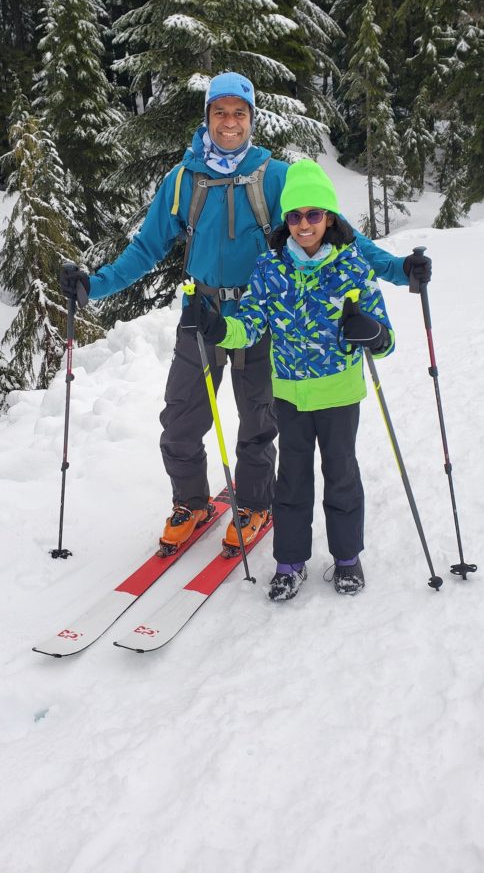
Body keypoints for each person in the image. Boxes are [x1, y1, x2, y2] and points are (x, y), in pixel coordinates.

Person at [60, 71, 430, 554]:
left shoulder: (275, 176)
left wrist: (399, 270)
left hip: (262, 313)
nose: (229, 122)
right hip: (201, 315)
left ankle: (255, 503)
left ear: (252, 119)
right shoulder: (182, 181)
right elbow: (146, 248)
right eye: (220, 112)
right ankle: (190, 502)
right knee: (180, 417)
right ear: (207, 117)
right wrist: (95, 285)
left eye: (239, 113)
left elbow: (340, 235)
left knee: (259, 420)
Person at [182, 159, 394, 599]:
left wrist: (372, 333)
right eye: (295, 216)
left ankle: (347, 558)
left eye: (313, 214)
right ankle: (290, 563)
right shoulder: (269, 268)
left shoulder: (353, 267)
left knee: (341, 475)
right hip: (290, 396)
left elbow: (386, 340)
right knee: (292, 480)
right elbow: (250, 327)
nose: (304, 224)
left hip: (339, 395)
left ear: (329, 217)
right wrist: (218, 328)